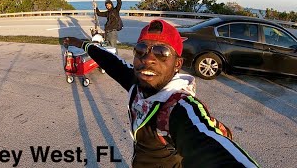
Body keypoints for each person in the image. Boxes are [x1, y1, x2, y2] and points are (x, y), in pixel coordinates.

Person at [64, 19, 259, 167]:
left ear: (177, 64)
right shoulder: (136, 82)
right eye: (141, 49)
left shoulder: (178, 107)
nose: (148, 58)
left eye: (161, 52)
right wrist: (84, 45)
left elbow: (206, 143)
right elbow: (111, 62)